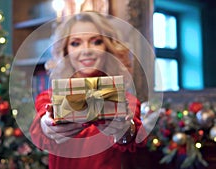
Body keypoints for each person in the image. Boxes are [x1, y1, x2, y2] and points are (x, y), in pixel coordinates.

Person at [29, 11, 147, 169]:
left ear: (108, 47)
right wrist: (47, 125)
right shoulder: (49, 98)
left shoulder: (126, 100)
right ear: (65, 51)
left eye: (96, 41)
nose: (86, 50)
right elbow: (40, 130)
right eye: (76, 43)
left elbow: (133, 138)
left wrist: (124, 130)